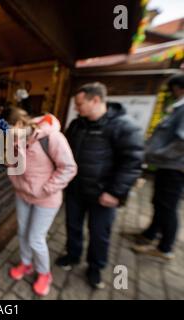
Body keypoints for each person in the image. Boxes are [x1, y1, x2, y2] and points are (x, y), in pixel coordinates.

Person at [56, 82, 144, 289]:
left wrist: (115, 192)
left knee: (99, 233)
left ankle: (95, 267)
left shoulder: (125, 126)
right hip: (76, 189)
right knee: (72, 226)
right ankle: (72, 255)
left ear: (95, 100)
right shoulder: (77, 125)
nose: (77, 108)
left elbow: (132, 163)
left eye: (80, 104)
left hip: (103, 194)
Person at [7, 107, 77, 297]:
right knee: (22, 232)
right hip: (22, 194)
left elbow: (68, 168)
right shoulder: (15, 138)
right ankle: (26, 263)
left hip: (46, 198)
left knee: (35, 239)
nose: (6, 134)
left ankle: (45, 274)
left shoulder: (52, 137)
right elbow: (12, 165)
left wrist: (45, 189)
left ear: (20, 124)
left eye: (7, 129)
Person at [129, 74, 184, 260]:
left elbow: (181, 143)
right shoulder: (178, 109)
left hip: (174, 167)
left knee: (167, 206)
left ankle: (165, 248)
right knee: (159, 202)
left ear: (178, 88)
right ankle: (150, 234)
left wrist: (156, 154)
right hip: (166, 165)